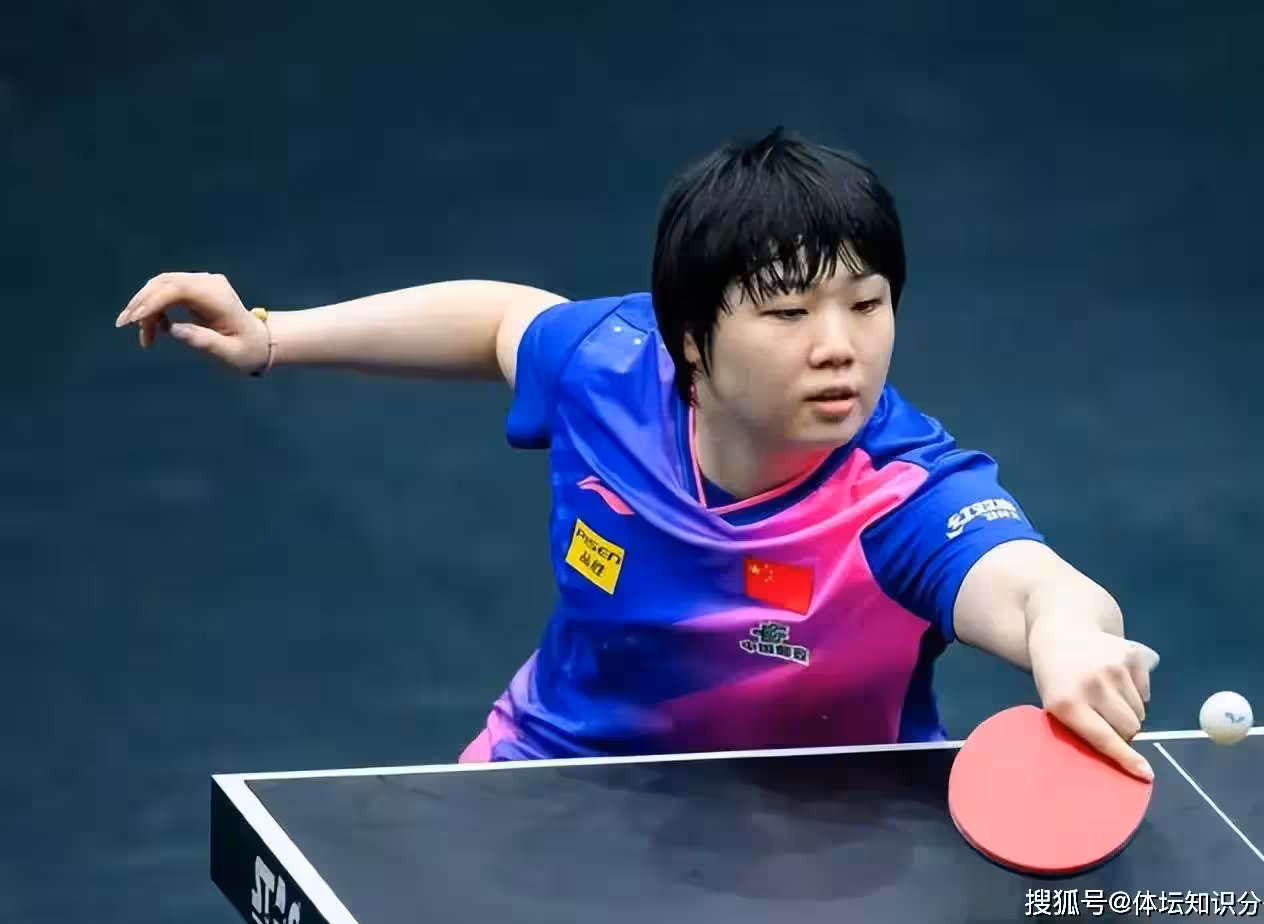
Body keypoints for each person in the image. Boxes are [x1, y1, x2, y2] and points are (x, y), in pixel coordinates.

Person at [115, 127, 1159, 778]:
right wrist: (272, 335)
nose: (839, 345)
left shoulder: (899, 495)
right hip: (549, 774)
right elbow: (501, 320)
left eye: (867, 303)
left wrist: (1069, 639)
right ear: (689, 337)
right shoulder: (612, 367)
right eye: (789, 312)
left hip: (826, 824)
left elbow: (1030, 584)